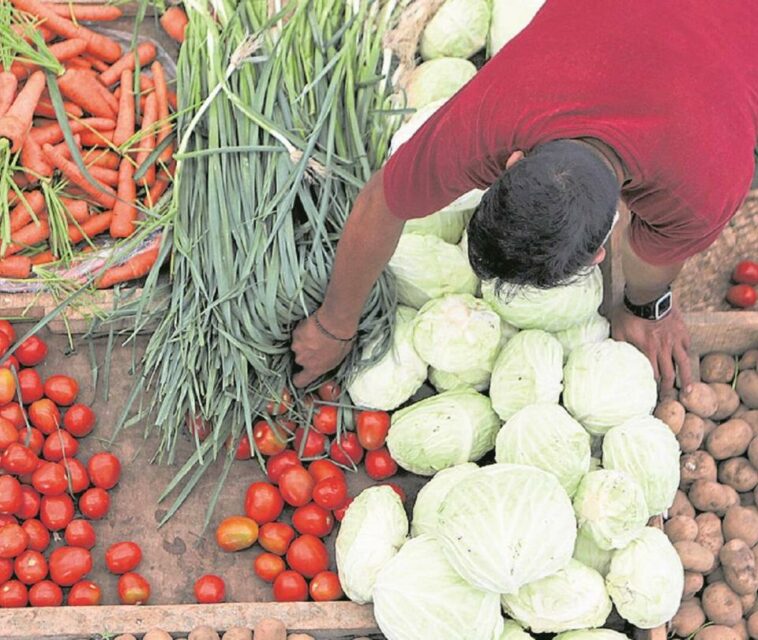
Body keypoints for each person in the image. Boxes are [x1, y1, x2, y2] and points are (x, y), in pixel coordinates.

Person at [291, 0, 757, 392]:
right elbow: (382, 203)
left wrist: (646, 308)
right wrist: (334, 324)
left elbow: (652, 268)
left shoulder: (708, 184)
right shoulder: (493, 114)